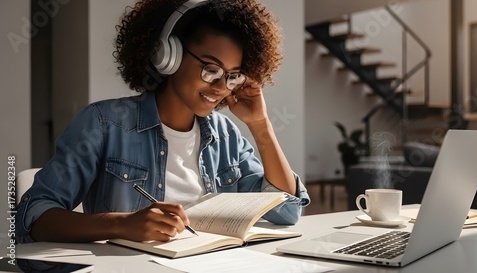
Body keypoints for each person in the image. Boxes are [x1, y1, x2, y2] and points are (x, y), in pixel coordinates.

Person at [16, 0, 310, 244]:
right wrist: (119, 225)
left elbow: (285, 211)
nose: (221, 87)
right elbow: (34, 217)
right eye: (210, 69)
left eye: (232, 75)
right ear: (168, 56)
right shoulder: (104, 124)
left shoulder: (226, 135)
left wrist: (261, 126)